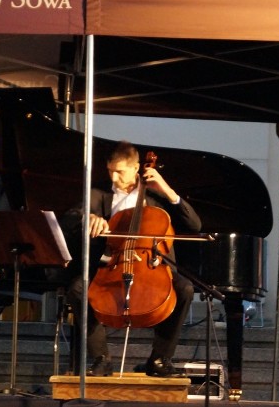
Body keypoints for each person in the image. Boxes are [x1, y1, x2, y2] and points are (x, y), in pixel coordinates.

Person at [62, 141, 201, 378]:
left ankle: (159, 358)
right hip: (112, 265)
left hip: (153, 266)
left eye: (120, 172)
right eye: (110, 171)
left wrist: (167, 190)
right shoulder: (100, 193)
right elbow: (70, 217)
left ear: (136, 168)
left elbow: (194, 225)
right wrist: (91, 217)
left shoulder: (157, 194)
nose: (114, 178)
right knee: (77, 289)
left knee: (185, 289)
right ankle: (101, 358)